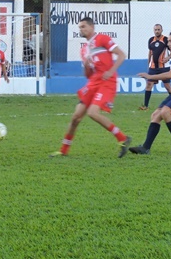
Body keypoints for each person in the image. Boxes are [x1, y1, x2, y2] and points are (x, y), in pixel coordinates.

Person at [50, 17, 131, 158]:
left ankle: (122, 138)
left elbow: (122, 55)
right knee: (75, 117)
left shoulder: (102, 39)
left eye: (83, 26)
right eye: (79, 27)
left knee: (93, 113)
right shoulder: (84, 50)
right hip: (93, 82)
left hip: (107, 81)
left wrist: (111, 71)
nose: (81, 29)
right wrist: (87, 66)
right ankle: (63, 150)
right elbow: (88, 75)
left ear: (92, 27)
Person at [140, 24, 171, 110]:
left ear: (162, 30)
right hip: (153, 67)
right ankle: (146, 106)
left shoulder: (166, 40)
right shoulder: (151, 40)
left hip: (164, 67)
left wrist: (168, 58)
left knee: (167, 86)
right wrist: (148, 64)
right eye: (155, 30)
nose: (157, 31)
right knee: (149, 85)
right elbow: (150, 52)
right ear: (153, 30)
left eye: (158, 29)